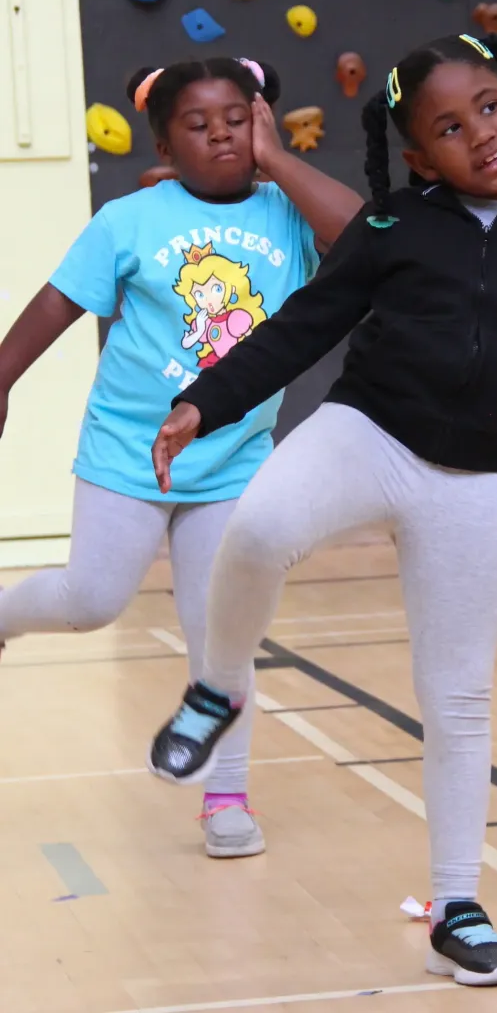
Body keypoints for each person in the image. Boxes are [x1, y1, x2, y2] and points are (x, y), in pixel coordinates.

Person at [146, 32, 497, 984]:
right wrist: (205, 400)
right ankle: (219, 686)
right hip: (369, 435)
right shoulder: (391, 230)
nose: (478, 134)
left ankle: (457, 906)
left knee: (458, 701)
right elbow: (301, 327)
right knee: (258, 528)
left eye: (488, 106)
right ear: (419, 156)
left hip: (474, 482)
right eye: (446, 127)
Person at [0, 54, 364, 859]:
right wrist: (2, 379)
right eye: (198, 127)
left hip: (230, 460)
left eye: (237, 120)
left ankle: (225, 797)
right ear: (166, 141)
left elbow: (362, 235)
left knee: (221, 636)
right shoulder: (130, 220)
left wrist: (278, 159)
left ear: (262, 120)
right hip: (127, 452)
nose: (222, 137)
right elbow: (58, 302)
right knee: (92, 599)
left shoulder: (290, 212)